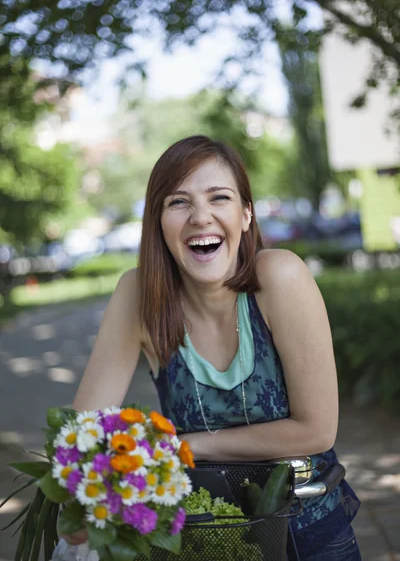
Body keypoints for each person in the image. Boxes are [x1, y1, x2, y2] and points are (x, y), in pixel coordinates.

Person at [53, 135, 361, 560]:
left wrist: (185, 446)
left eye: (219, 197)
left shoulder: (281, 277)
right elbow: (79, 432)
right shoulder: (138, 295)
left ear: (246, 215)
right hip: (202, 535)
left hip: (307, 530)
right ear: (158, 221)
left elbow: (316, 430)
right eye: (178, 202)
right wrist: (83, 498)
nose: (201, 217)